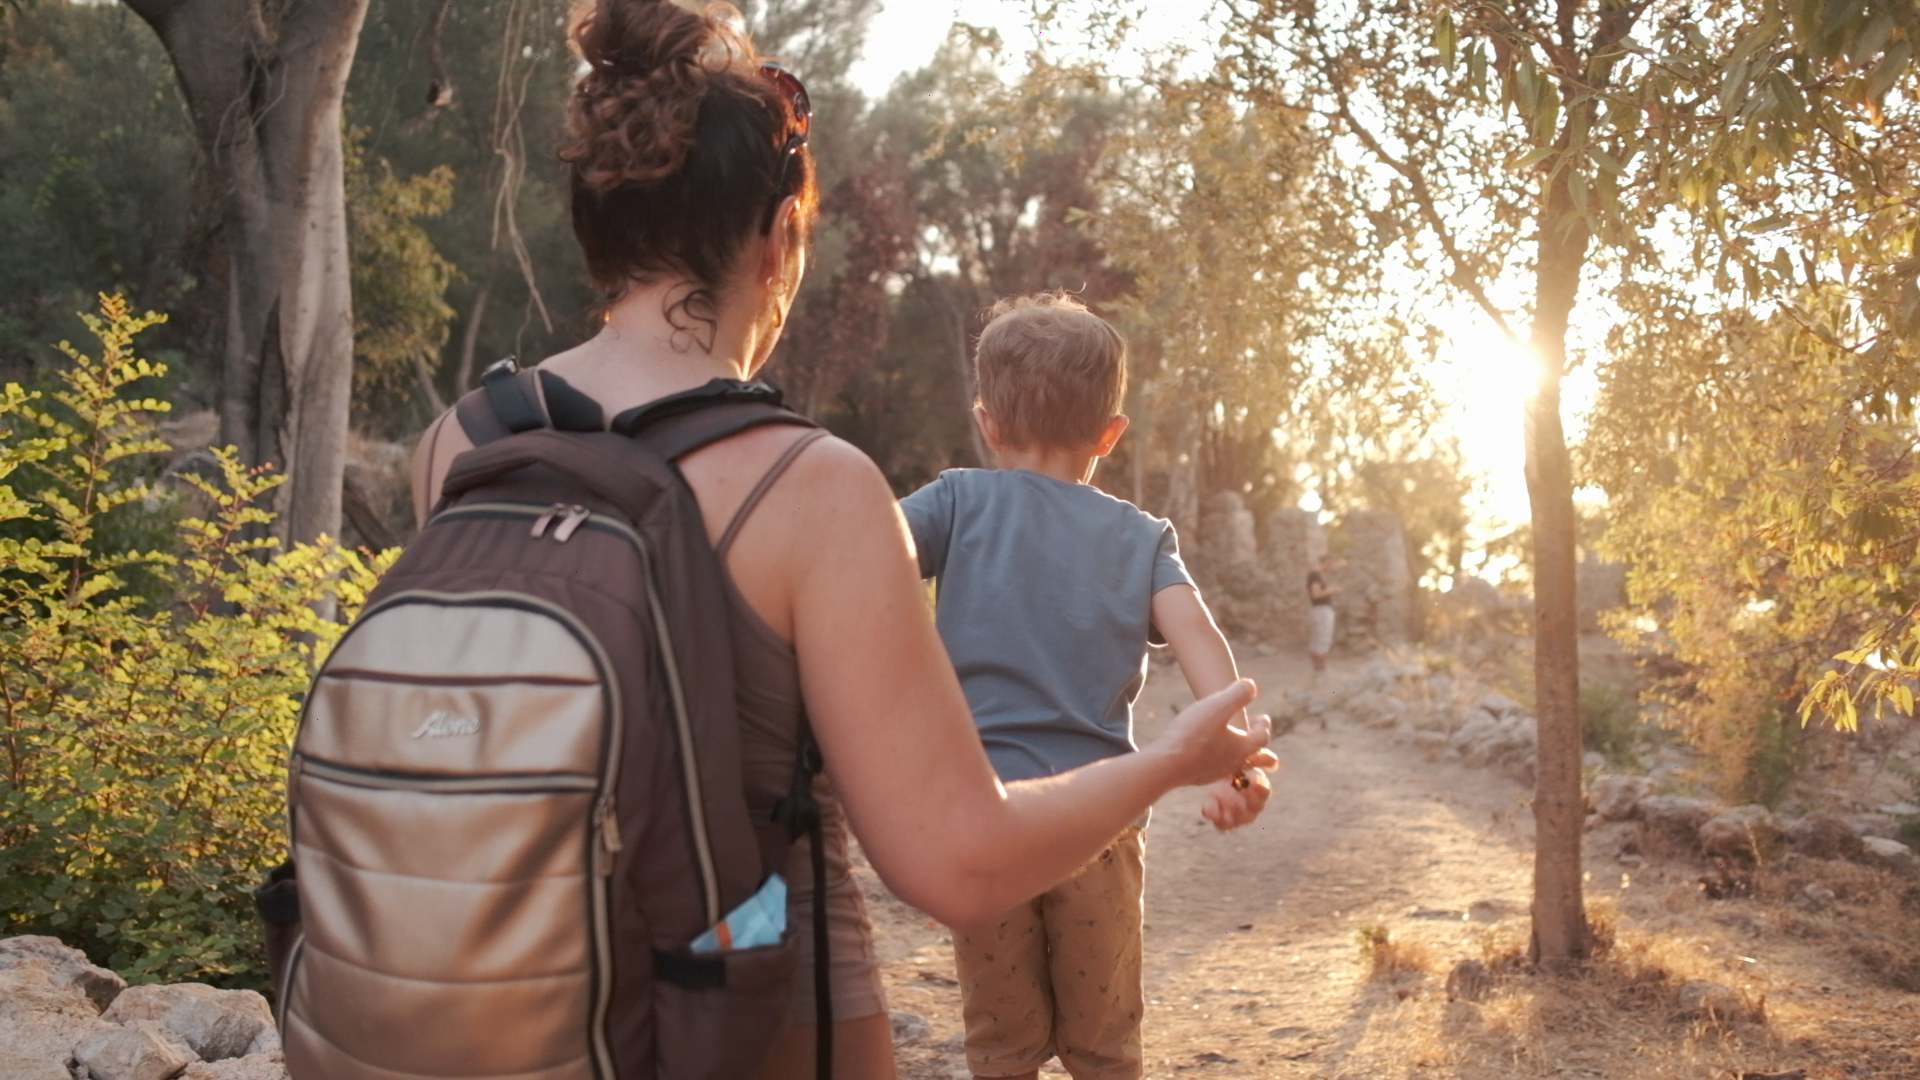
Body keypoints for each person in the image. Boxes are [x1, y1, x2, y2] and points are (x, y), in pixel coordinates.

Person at [407, 3, 1276, 1077]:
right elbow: (957, 863)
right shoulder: (811, 486)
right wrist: (1173, 762)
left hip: (489, 984)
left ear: (602, 226)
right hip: (748, 1001)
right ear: (780, 237)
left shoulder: (461, 441)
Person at [899, 293, 1270, 1080]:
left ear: (988, 423)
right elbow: (1200, 640)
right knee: (1104, 1045)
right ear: (1110, 433)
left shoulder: (956, 501)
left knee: (1001, 1043)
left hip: (986, 822)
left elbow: (865, 552)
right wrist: (1238, 763)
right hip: (1099, 826)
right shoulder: (1142, 537)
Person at [1306, 555, 1341, 672]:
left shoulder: (1312, 575)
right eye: (1332, 564)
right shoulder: (1315, 576)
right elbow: (1316, 594)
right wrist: (1332, 590)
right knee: (1323, 640)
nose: (1332, 568)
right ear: (1326, 562)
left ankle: (1317, 669)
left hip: (1317, 610)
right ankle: (1323, 669)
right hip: (1322, 610)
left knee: (1316, 640)